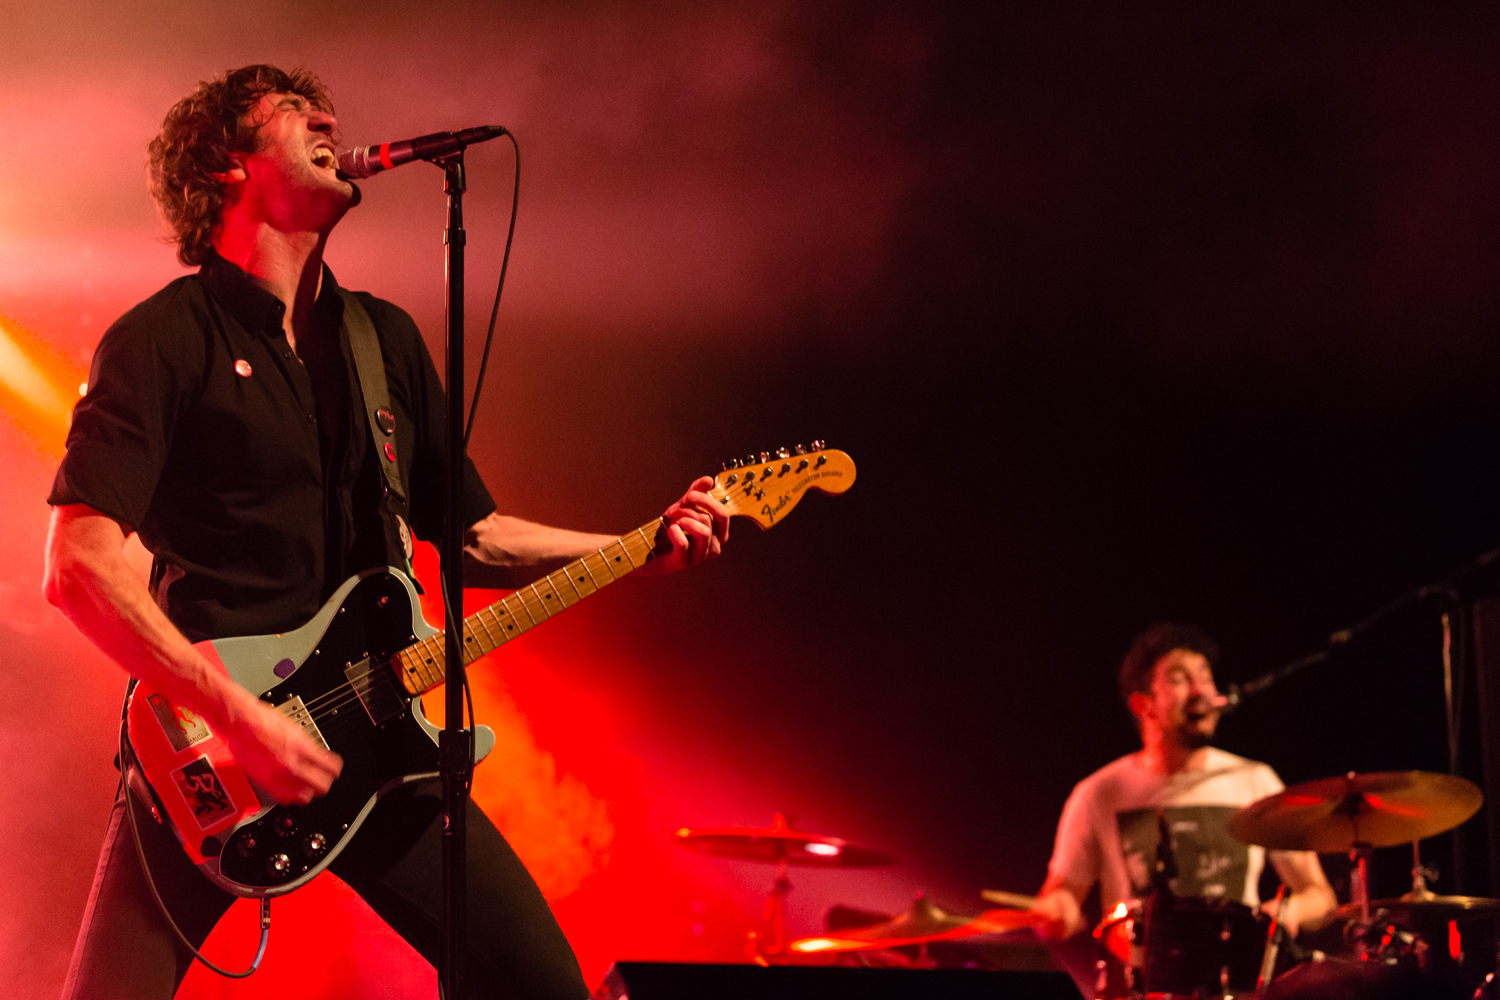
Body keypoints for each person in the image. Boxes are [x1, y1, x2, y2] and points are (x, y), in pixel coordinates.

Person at [43, 65, 728, 1000]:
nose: (330, 120)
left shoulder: (383, 341)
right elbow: (79, 568)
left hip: (384, 742)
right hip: (206, 747)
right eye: (292, 113)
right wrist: (243, 718)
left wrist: (640, 546)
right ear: (225, 169)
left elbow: (474, 535)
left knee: (540, 985)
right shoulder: (163, 339)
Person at [1031, 624, 1336, 948]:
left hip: (1238, 987)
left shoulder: (1256, 781)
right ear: (1143, 705)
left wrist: (1289, 911)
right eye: (1179, 680)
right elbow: (1060, 895)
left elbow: (1320, 896)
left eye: (1205, 677)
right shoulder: (1099, 793)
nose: (1199, 691)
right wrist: (1055, 912)